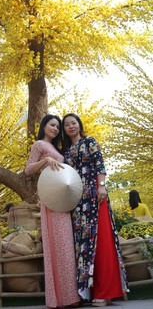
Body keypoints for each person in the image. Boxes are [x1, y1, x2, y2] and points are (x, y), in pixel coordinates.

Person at [62, 113, 127, 308]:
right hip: (79, 203)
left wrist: (102, 186)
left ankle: (106, 292)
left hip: (96, 197)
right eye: (67, 124)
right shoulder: (68, 151)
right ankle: (88, 291)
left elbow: (100, 164)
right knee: (85, 246)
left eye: (74, 123)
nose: (71, 126)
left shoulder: (89, 141)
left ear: (79, 125)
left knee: (103, 242)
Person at [25, 114, 80, 309]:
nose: (56, 128)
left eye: (58, 126)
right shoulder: (39, 145)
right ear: (44, 126)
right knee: (57, 247)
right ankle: (59, 299)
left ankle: (71, 295)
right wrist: (45, 160)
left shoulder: (57, 148)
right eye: (52, 125)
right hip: (51, 202)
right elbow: (28, 169)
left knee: (66, 247)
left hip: (63, 201)